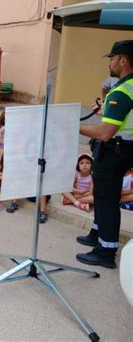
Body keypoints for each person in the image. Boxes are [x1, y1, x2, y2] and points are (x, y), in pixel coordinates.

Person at [77, 40, 133, 269]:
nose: (109, 63)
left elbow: (105, 132)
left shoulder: (121, 90)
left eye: (112, 58)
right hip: (125, 147)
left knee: (108, 200)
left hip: (115, 150)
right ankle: (96, 233)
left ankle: (105, 251)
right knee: (101, 194)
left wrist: (73, 126)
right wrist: (103, 109)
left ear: (123, 60)